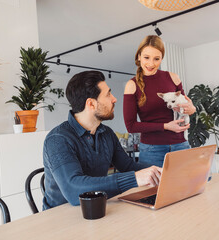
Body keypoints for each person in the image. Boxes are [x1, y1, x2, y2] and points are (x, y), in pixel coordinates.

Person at [43, 71, 162, 210]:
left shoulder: (107, 133)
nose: (114, 99)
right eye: (108, 94)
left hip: (97, 208)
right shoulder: (58, 139)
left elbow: (128, 166)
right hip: (61, 217)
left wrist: (163, 171)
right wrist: (134, 179)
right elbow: (73, 190)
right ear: (91, 104)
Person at [123, 35, 196, 167]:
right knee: (154, 188)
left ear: (162, 58)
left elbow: (183, 106)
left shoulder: (173, 78)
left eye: (156, 59)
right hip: (152, 150)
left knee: (187, 187)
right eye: (146, 57)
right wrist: (166, 126)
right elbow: (131, 126)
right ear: (139, 56)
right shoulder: (131, 85)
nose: (151, 64)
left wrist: (191, 109)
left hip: (180, 145)